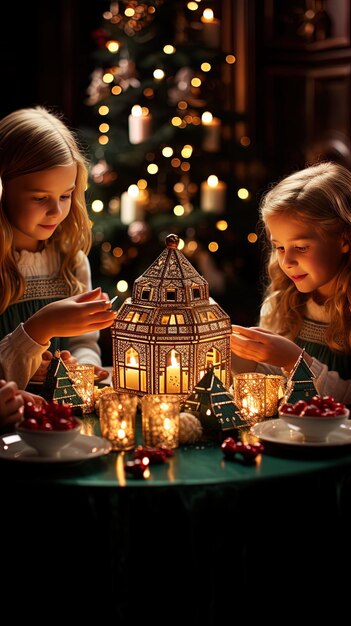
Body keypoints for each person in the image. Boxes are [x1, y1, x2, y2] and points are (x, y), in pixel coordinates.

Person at [0, 107, 117, 391]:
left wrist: (80, 366)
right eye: (40, 198)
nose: (56, 211)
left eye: (65, 196)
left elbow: (84, 343)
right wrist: (36, 331)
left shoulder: (71, 262)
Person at [231, 161, 351, 404]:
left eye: (301, 247)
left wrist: (295, 360)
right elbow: (280, 386)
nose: (286, 261)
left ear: (344, 240)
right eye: (279, 247)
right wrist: (237, 355)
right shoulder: (284, 301)